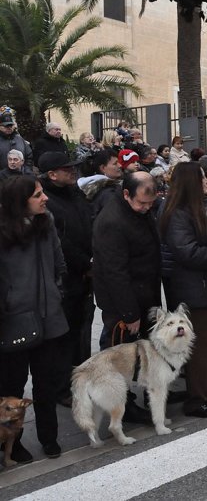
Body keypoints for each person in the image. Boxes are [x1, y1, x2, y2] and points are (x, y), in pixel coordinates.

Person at [159, 162, 207, 418]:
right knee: (200, 348)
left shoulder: (202, 207)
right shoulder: (178, 214)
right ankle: (197, 399)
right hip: (195, 291)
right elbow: (188, 253)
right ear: (192, 182)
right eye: (202, 178)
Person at [0, 175, 69, 461]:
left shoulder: (46, 220)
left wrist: (57, 288)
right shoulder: (3, 230)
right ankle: (12, 443)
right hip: (14, 319)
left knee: (46, 383)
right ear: (20, 202)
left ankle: (49, 436)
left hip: (49, 316)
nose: (45, 198)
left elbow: (57, 258)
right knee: (11, 386)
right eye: (37, 195)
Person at [92, 171, 161, 423]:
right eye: (141, 203)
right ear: (126, 194)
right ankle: (121, 406)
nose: (146, 208)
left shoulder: (138, 212)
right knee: (118, 356)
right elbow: (114, 272)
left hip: (145, 293)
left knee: (139, 353)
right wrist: (129, 313)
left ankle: (143, 397)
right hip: (124, 304)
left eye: (150, 203)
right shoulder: (112, 221)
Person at [37, 152, 94, 407]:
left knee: (82, 331)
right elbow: (60, 242)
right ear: (52, 174)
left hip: (85, 276)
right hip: (66, 278)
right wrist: (86, 262)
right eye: (67, 169)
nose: (73, 172)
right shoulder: (47, 202)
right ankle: (62, 388)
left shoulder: (75, 193)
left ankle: (80, 381)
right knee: (63, 336)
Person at [79, 148, 123, 218]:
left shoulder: (105, 187)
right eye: (115, 163)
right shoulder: (108, 194)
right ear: (102, 168)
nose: (120, 165)